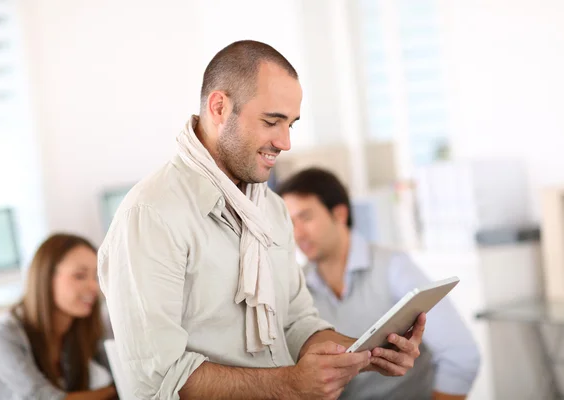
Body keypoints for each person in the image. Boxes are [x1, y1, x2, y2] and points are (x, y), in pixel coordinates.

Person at [98, 40, 427, 400]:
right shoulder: (150, 215)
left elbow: (297, 323)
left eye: (291, 124)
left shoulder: (270, 209)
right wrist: (289, 385)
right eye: (272, 121)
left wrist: (370, 353)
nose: (285, 142)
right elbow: (159, 378)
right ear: (219, 107)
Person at [277, 167, 481, 400]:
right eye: (289, 222)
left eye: (305, 217)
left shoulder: (393, 267)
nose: (297, 233)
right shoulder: (296, 285)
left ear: (339, 215)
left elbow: (462, 355)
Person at [0, 233, 117, 400]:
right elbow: (41, 397)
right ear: (46, 277)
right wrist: (112, 391)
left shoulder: (89, 325)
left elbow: (119, 374)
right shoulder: (3, 333)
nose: (94, 287)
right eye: (80, 276)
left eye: (96, 276)